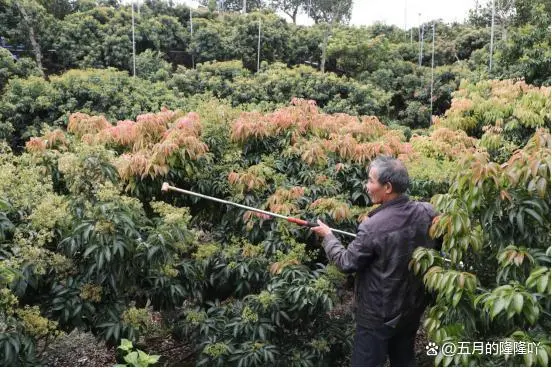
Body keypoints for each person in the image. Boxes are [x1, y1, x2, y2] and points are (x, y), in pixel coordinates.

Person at [312, 155, 439, 367]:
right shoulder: (427, 212)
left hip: (377, 316)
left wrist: (328, 236)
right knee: (404, 360)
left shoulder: (372, 227)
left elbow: (346, 263)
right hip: (410, 308)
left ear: (387, 187)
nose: (367, 186)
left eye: (371, 181)